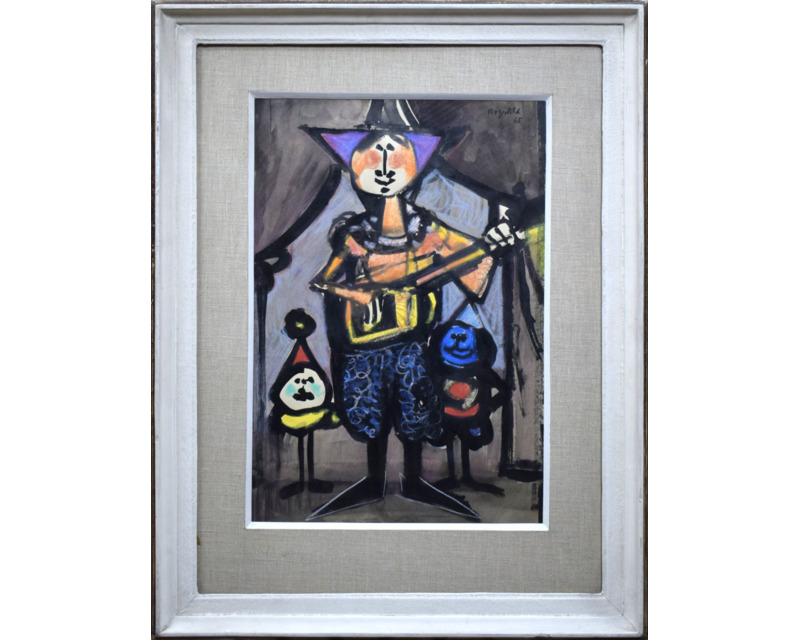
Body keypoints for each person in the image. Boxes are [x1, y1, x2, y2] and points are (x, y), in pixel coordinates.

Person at [304, 101, 521, 520]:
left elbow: (469, 259)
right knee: (369, 411)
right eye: (374, 158)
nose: (386, 169)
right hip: (362, 345)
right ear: (355, 167)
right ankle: (372, 481)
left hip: (412, 342)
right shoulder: (355, 234)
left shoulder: (427, 229)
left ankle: (415, 480)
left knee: (414, 406)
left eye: (396, 158)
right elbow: (323, 282)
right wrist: (358, 295)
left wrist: (492, 247)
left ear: (415, 167)